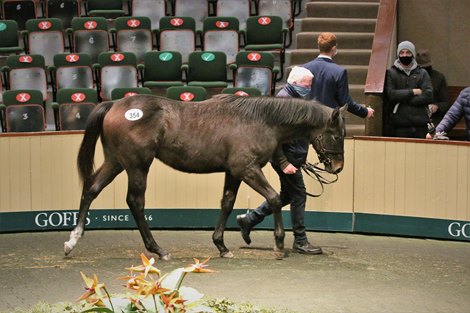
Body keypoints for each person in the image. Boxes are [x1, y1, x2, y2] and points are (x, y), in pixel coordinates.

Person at [236, 66, 323, 255]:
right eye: (306, 85)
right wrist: (284, 162)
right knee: (299, 195)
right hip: (286, 157)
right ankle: (300, 240)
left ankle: (250, 219)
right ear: (295, 83)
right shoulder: (284, 100)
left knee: (287, 195)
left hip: (293, 156)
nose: (309, 88)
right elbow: (273, 137)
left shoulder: (295, 98)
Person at [302, 32, 374, 119]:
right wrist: (365, 112)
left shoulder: (304, 68)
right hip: (331, 121)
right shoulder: (339, 71)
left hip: (309, 119)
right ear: (334, 48)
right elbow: (345, 101)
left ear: (319, 47)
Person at [383, 40, 434, 138]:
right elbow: (391, 95)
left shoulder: (422, 73)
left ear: (413, 54)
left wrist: (402, 99)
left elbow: (428, 95)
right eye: (402, 53)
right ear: (398, 55)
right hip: (399, 125)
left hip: (421, 124)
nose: (405, 55)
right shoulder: (391, 73)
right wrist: (413, 92)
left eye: (408, 52)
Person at [416, 49, 450, 126]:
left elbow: (446, 103)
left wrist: (437, 107)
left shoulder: (438, 78)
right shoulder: (412, 78)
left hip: (434, 118)